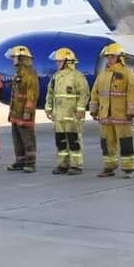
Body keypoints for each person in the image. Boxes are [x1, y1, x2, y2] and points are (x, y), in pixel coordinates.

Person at [90, 43, 134, 178]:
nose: (109, 59)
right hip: (105, 116)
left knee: (125, 142)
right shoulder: (102, 75)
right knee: (106, 143)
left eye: (112, 56)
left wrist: (131, 112)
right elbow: (95, 93)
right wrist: (94, 110)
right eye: (108, 57)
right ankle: (109, 167)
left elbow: (133, 93)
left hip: (122, 116)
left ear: (119, 57)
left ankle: (128, 169)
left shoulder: (127, 74)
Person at [44, 47, 89, 175]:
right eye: (57, 61)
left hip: (72, 115)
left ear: (67, 61)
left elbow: (84, 94)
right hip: (59, 116)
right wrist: (48, 108)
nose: (57, 63)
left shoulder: (77, 76)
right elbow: (50, 93)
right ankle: (63, 164)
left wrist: (80, 109)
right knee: (61, 142)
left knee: (74, 141)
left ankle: (76, 165)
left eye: (59, 61)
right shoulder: (56, 76)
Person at [6, 45, 39, 173]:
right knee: (17, 139)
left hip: (24, 112)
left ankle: (30, 163)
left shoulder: (30, 74)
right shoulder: (18, 73)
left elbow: (32, 95)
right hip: (16, 112)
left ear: (21, 58)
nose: (12, 60)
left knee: (27, 139)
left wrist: (27, 112)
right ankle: (19, 161)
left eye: (14, 57)